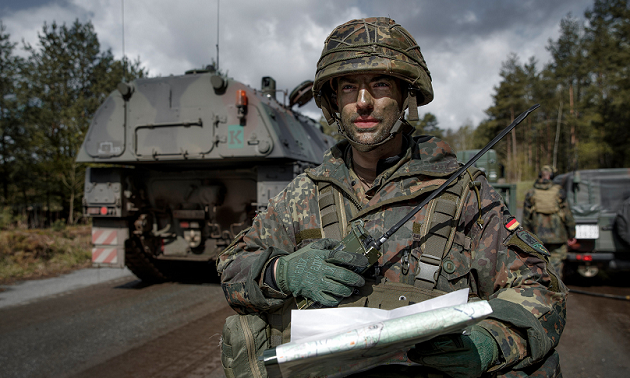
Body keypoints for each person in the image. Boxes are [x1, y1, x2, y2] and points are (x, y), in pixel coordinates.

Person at [218, 17, 566, 378]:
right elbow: (232, 268)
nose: (363, 102)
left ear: (406, 95)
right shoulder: (302, 195)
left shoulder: (464, 193)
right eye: (349, 87)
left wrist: (491, 342)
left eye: (380, 83)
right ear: (333, 101)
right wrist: (282, 272)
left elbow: (540, 288)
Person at [522, 165, 576, 279]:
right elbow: (567, 214)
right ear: (552, 176)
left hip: (538, 235)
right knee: (556, 263)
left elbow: (526, 218)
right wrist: (572, 234)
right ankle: (555, 287)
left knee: (538, 262)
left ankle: (542, 288)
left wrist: (525, 236)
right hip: (558, 235)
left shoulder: (531, 192)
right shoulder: (559, 191)